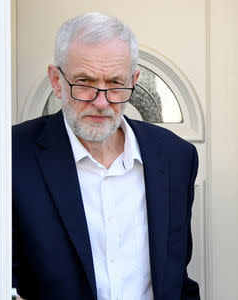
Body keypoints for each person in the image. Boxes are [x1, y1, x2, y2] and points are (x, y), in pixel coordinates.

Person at [12, 12, 200, 300]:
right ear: (56, 80)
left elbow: (177, 279)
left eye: (115, 83)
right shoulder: (13, 154)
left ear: (134, 81)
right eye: (85, 82)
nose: (101, 102)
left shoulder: (176, 157)